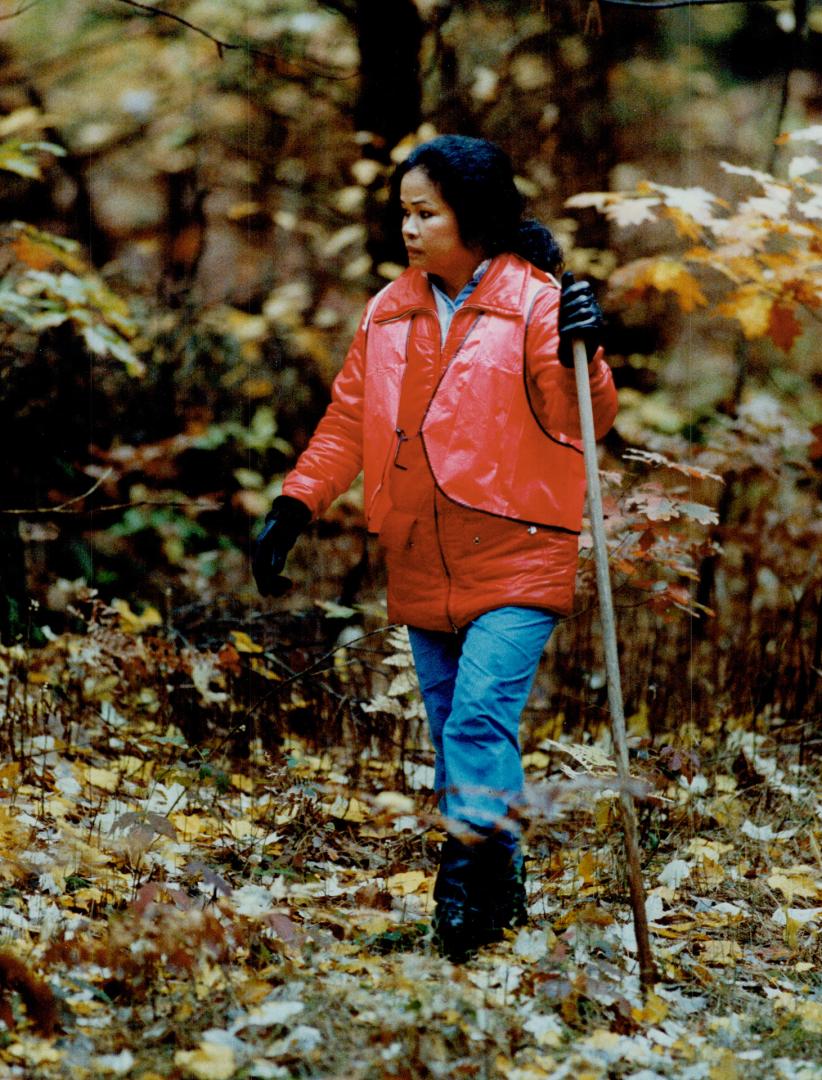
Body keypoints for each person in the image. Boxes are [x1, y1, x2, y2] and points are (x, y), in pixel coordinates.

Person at [252, 135, 617, 962]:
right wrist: (295, 502)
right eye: (404, 213)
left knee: (479, 720)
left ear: (473, 214)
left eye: (426, 213)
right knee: (461, 726)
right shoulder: (389, 309)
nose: (409, 229)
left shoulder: (534, 299)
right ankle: (505, 889)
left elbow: (580, 418)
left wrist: (584, 351)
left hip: (518, 549)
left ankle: (461, 898)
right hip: (420, 551)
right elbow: (349, 420)